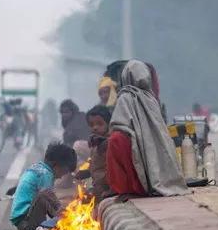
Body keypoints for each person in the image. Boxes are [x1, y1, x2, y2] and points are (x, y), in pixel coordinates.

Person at [107, 60, 188, 199]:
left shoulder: (125, 96)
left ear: (125, 76)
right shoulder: (151, 99)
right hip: (151, 157)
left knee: (116, 140)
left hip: (133, 152)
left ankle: (128, 188)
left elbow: (118, 125)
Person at [10, 142, 78, 230]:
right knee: (45, 194)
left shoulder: (37, 168)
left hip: (22, 221)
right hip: (26, 223)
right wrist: (61, 213)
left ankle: (63, 219)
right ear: (55, 165)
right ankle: (64, 221)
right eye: (63, 172)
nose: (62, 176)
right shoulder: (46, 175)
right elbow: (47, 198)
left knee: (49, 197)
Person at [74, 105, 113, 202]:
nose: (95, 127)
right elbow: (96, 167)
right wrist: (85, 173)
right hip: (98, 185)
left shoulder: (110, 143)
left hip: (107, 187)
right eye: (91, 125)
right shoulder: (95, 143)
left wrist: (112, 190)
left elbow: (116, 169)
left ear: (108, 124)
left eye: (100, 124)